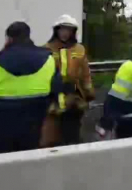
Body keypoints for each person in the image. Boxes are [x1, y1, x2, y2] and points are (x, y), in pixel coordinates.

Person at [0, 22, 61, 154]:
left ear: (9, 39)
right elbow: (58, 86)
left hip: (3, 117)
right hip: (37, 114)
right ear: (29, 36)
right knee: (31, 154)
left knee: (3, 155)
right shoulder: (49, 59)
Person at [40, 14, 94, 147]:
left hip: (74, 99)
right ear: (56, 30)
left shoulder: (79, 49)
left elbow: (85, 74)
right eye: (62, 29)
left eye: (68, 30)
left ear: (73, 32)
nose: (65, 33)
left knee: (73, 137)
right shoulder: (46, 49)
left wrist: (89, 93)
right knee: (51, 138)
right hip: (52, 100)